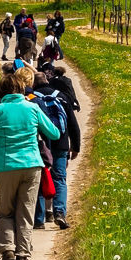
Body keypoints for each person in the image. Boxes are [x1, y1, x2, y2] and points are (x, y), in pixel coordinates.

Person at [0, 71, 61, 260]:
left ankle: (7, 249)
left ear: (1, 91)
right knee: (26, 214)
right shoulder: (33, 108)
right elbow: (54, 133)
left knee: (6, 212)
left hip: (7, 166)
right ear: (21, 89)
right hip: (32, 166)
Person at [31, 69, 78, 230]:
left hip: (40, 145)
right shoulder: (62, 97)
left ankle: (38, 219)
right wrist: (75, 147)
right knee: (59, 179)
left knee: (39, 179)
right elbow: (72, 124)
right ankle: (59, 212)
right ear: (47, 81)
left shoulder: (32, 100)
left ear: (33, 84)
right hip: (61, 144)